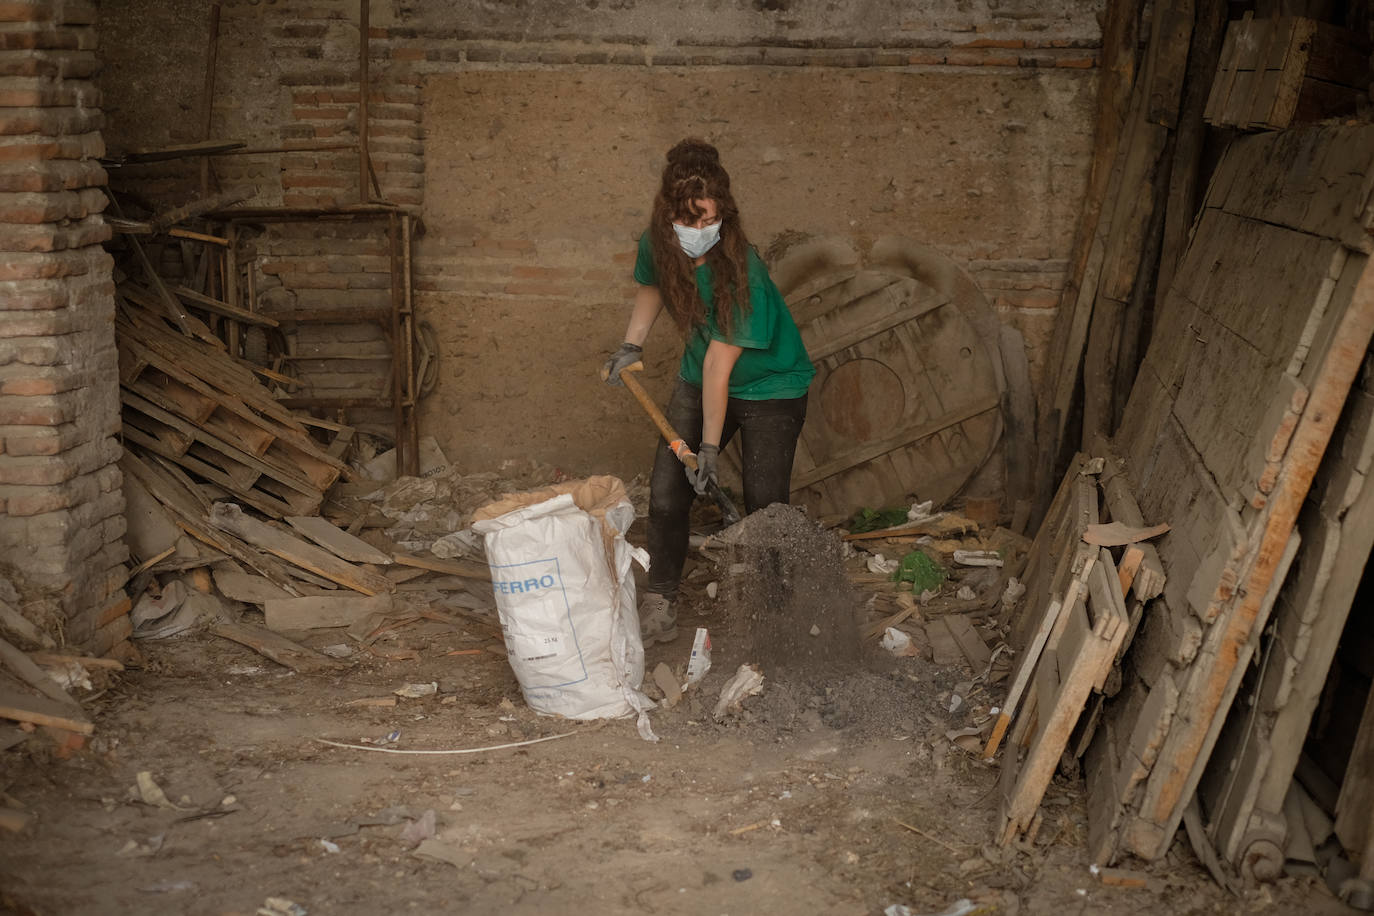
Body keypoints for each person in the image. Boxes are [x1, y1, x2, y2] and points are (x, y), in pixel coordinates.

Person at [602, 139, 815, 646]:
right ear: (669, 216)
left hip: (771, 386)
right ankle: (661, 599)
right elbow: (653, 285)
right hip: (699, 377)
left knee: (765, 504)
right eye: (688, 222)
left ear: (724, 214)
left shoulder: (743, 269)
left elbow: (723, 365)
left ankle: (775, 607)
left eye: (708, 222)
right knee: (667, 493)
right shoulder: (657, 243)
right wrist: (632, 344)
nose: (698, 232)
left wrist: (710, 450)